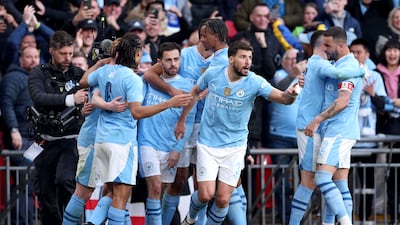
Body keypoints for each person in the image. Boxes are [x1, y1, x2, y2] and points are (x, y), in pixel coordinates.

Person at [177, 40, 299, 225]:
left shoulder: (255, 82)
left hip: (235, 147)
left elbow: (283, 98)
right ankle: (190, 219)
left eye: (250, 57)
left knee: (222, 199)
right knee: (205, 195)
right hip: (208, 143)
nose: (248, 62)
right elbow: (194, 91)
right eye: (243, 57)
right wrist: (182, 120)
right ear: (231, 58)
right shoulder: (213, 74)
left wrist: (292, 94)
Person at [79, 33, 193, 224]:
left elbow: (83, 81)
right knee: (121, 196)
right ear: (138, 53)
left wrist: (100, 64)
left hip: (101, 140)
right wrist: (169, 103)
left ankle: (93, 222)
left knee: (111, 190)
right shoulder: (132, 79)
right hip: (122, 142)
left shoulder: (107, 70)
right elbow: (137, 112)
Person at [288, 29, 365, 225]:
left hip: (326, 128)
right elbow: (336, 75)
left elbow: (343, 98)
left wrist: (318, 120)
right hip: (316, 128)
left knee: (317, 182)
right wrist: (361, 69)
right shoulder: (321, 63)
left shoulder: (328, 64)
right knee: (331, 182)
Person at [28, 30, 88, 225]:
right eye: (63, 53)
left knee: (64, 181)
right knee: (45, 193)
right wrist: (70, 99)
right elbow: (39, 97)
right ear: (51, 51)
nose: (68, 58)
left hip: (69, 140)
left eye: (71, 53)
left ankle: (71, 222)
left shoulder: (78, 74)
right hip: (44, 140)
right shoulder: (38, 73)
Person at [138, 42, 196, 225]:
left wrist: (177, 149)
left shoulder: (188, 86)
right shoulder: (147, 82)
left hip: (170, 146)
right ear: (159, 62)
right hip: (147, 142)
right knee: (154, 189)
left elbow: (188, 121)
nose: (173, 64)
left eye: (176, 59)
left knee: (159, 193)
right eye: (168, 60)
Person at [349, 38, 388, 222]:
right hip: (348, 137)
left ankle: (366, 217)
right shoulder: (345, 74)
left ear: (367, 55)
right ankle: (346, 218)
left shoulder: (375, 76)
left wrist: (372, 94)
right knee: (345, 183)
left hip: (368, 138)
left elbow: (383, 106)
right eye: (353, 52)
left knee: (368, 182)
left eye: (359, 52)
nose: (356, 56)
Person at [0, 46, 40, 225]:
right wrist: (13, 130)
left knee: (28, 185)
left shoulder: (37, 78)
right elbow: (6, 104)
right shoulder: (13, 78)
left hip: (34, 140)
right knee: (24, 185)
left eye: (36, 57)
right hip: (20, 139)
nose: (33, 60)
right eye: (29, 57)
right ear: (20, 59)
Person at [266, 48, 305, 225]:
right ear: (282, 62)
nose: (293, 62)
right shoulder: (279, 75)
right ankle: (285, 219)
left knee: (304, 182)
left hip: (301, 137)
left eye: (296, 59)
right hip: (279, 137)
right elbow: (280, 89)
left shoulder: (306, 79)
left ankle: (301, 219)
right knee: (282, 182)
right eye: (289, 59)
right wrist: (294, 75)